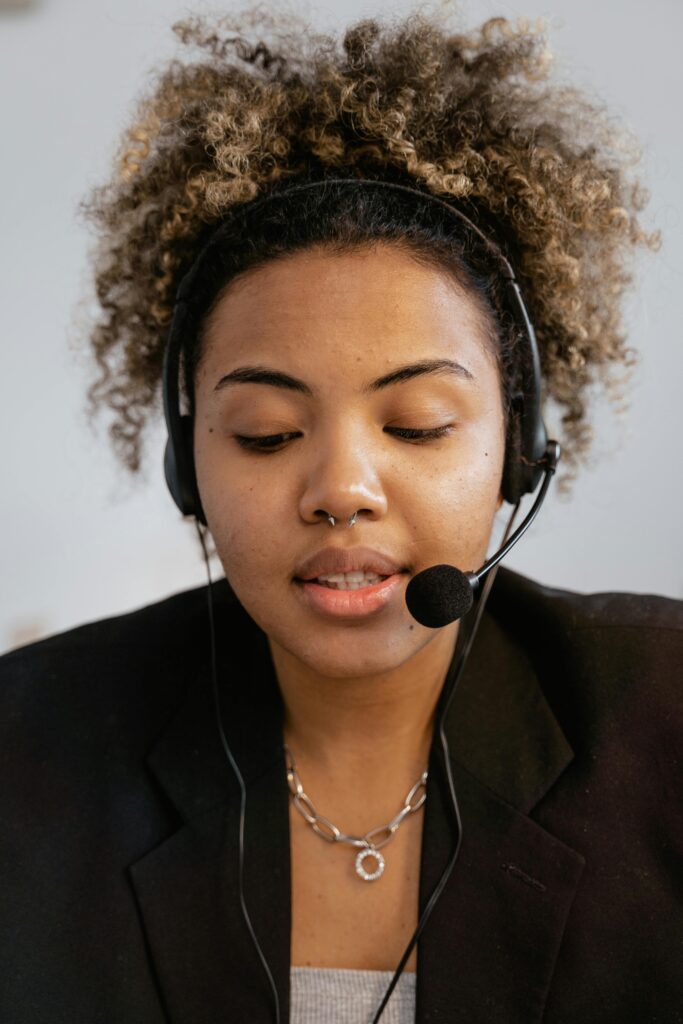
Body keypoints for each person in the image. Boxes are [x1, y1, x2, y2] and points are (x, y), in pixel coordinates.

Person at [1, 7, 681, 1024]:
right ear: (189, 466)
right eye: (268, 433)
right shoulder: (29, 745)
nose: (339, 488)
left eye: (416, 423)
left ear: (519, 445)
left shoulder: (665, 721)